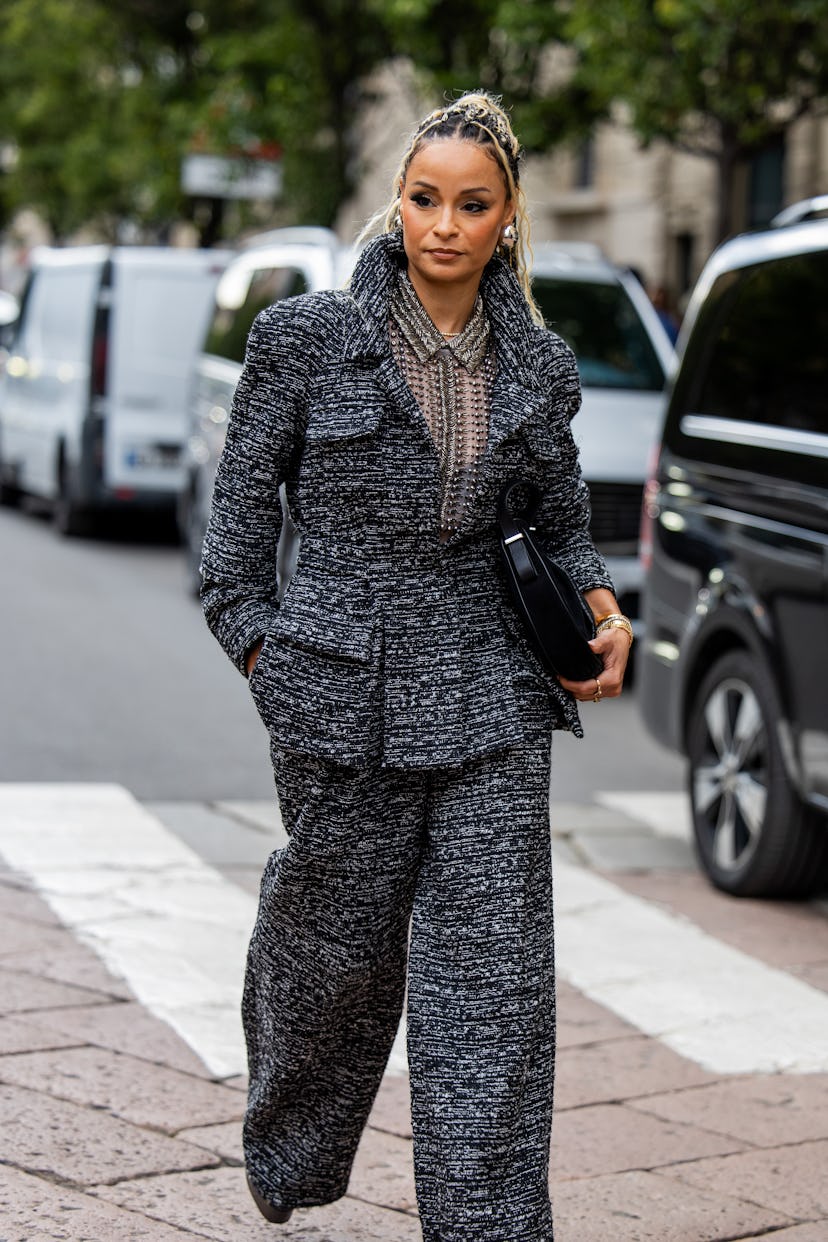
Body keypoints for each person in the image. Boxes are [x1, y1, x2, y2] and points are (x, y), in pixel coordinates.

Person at [201, 91, 632, 1242]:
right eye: (425, 197)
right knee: (330, 959)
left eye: (472, 204)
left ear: (507, 219)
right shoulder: (303, 342)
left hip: (494, 698)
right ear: (397, 204)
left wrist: (602, 611)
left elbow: (564, 528)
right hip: (337, 700)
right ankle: (287, 1147)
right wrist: (269, 658)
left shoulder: (540, 365)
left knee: (493, 988)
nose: (445, 223)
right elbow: (233, 552)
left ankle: (487, 1223)